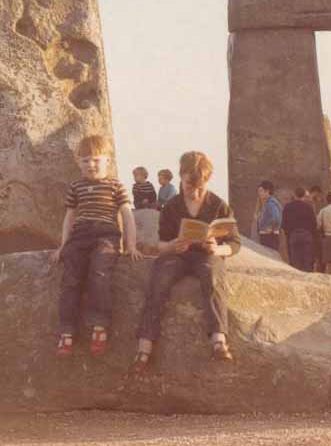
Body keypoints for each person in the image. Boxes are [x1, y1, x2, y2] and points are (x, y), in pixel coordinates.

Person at [132, 150, 240, 371]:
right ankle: (145, 345)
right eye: (190, 187)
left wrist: (218, 248)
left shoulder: (219, 205)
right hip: (177, 254)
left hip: (206, 255)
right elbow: (161, 244)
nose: (195, 193)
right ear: (181, 178)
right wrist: (171, 246)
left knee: (213, 277)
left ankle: (219, 340)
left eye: (201, 187)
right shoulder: (172, 206)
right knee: (159, 280)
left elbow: (235, 243)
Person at [52, 135, 142, 356]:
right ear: (78, 162)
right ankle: (66, 331)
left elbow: (127, 215)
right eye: (85, 161)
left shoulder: (115, 185)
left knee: (99, 273)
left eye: (95, 160)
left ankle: (100, 325)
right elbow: (69, 217)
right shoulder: (76, 186)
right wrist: (63, 245)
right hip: (80, 236)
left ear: (107, 160)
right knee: (70, 280)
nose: (90, 165)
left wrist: (130, 244)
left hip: (106, 235)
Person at [281, 186, 318, 271]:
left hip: (293, 236)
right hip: (307, 235)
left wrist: (289, 234)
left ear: (295, 195)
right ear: (304, 196)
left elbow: (284, 224)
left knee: (295, 262)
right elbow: (314, 224)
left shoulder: (288, 207)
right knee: (307, 261)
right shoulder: (309, 207)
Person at [256, 180, 282, 251]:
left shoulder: (271, 204)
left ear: (267, 191)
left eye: (261, 191)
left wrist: (271, 228)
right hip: (268, 236)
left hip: (269, 237)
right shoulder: (267, 203)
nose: (259, 193)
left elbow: (276, 218)